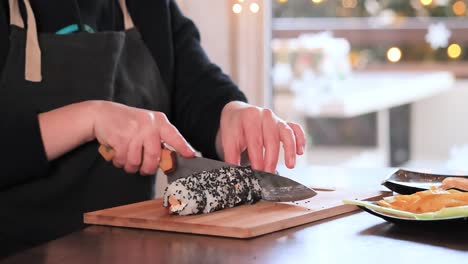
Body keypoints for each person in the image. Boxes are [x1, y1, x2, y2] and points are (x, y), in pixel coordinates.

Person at [0, 0, 306, 258]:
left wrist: (232, 114)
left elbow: (196, 89)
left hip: (130, 251)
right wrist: (88, 118)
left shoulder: (147, 6)